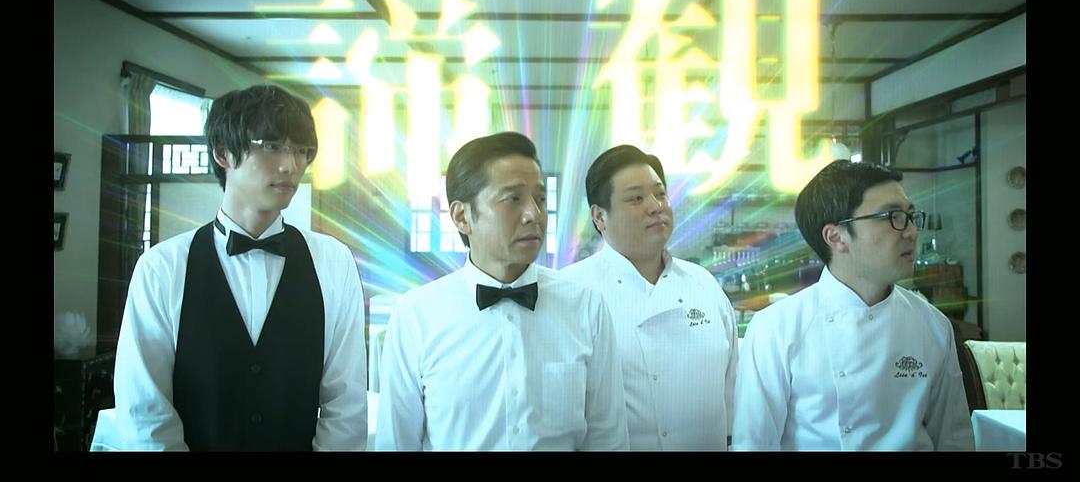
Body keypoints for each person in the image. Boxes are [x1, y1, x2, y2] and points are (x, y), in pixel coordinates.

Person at [111, 85, 368, 450]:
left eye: (300, 150)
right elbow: (144, 410)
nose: (290, 165)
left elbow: (346, 401)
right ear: (223, 153)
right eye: (272, 146)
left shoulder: (333, 261)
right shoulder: (161, 268)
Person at [375, 132, 629, 450]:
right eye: (513, 199)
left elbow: (608, 438)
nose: (534, 214)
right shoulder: (417, 315)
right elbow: (395, 442)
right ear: (462, 216)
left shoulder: (585, 307)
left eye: (540, 199)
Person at [732, 160, 974, 451]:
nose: (911, 231)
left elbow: (954, 439)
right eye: (893, 217)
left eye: (911, 216)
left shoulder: (932, 325)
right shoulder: (776, 328)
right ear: (836, 237)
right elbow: (755, 444)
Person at [560, 145, 738, 450]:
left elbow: (732, 389)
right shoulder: (571, 291)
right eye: (636, 198)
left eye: (660, 194)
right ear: (600, 217)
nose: (655, 207)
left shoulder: (703, 284)